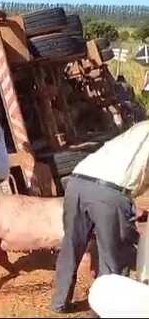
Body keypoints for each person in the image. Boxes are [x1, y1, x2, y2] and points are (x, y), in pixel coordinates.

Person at [50, 121, 149, 313]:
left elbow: (133, 167)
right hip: (109, 192)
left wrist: (128, 204)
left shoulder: (140, 128)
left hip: (77, 181)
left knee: (71, 245)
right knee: (114, 255)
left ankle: (59, 302)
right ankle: (106, 309)